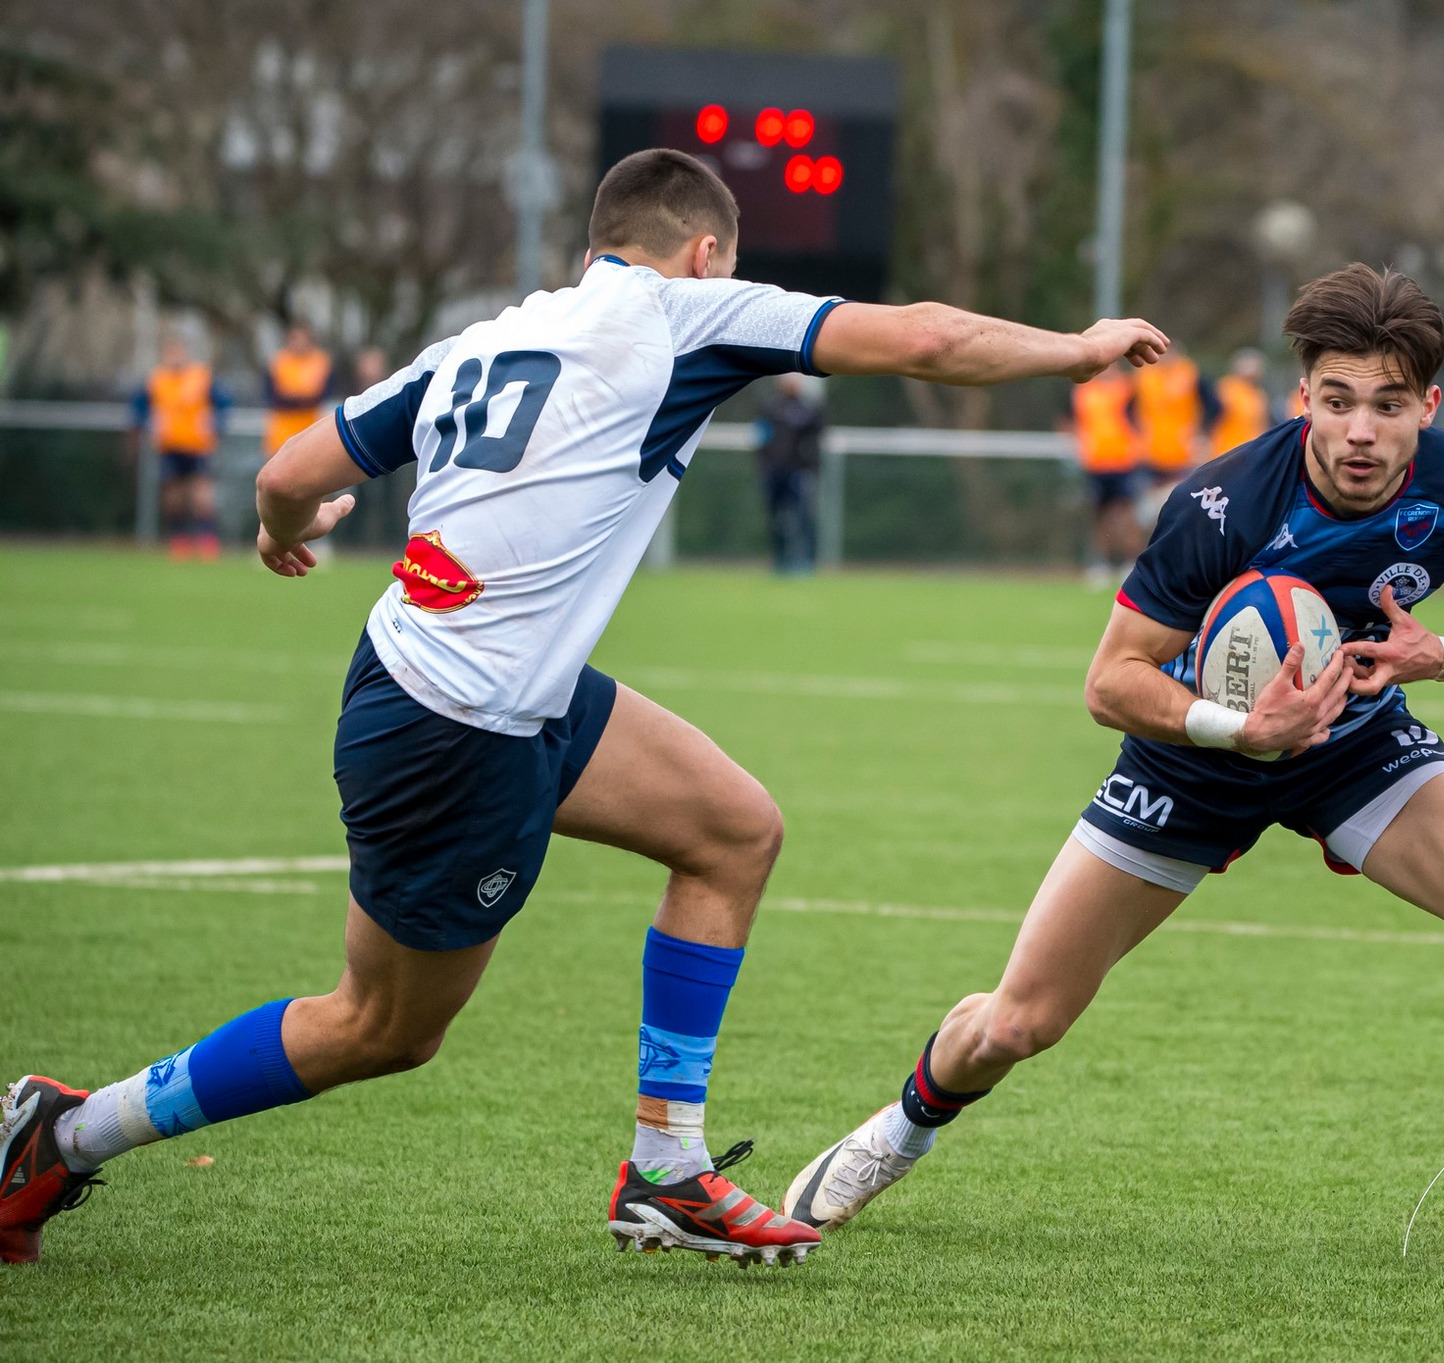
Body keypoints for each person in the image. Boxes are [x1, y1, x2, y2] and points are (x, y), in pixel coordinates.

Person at [0, 148, 1170, 1268]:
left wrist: (279, 536)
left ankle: (665, 1168)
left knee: (731, 829)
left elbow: (286, 477)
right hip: (452, 730)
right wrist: (1077, 347)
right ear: (705, 252)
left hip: (492, 688)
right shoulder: (683, 314)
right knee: (381, 1028)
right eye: (728, 263)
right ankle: (61, 1132)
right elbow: (923, 335)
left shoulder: (483, 338)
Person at [782, 264, 1444, 1292]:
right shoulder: (1220, 504)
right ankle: (900, 1129)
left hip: (1356, 748)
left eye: (1389, 406)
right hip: (1191, 763)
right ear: (1301, 397)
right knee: (1017, 1023)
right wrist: (1239, 727)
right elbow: (1109, 681)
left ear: (1427, 407)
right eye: (1337, 401)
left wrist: (1441, 654)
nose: (1360, 431)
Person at [130, 336, 231, 561]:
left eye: (178, 353)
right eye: (170, 353)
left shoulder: (201, 377)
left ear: (185, 353)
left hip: (198, 446)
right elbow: (137, 409)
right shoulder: (156, 380)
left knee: (202, 497)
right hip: (169, 446)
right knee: (173, 498)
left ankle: (207, 542)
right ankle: (179, 542)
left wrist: (216, 423)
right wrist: (148, 423)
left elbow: (224, 404)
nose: (175, 358)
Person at [1067, 362, 1143, 589]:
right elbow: (1071, 421)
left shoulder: (1128, 388)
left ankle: (1131, 564)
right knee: (1098, 516)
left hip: (1123, 462)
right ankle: (1100, 565)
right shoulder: (1083, 391)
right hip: (1095, 464)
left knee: (1126, 516)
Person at [1132, 347, 1219, 523]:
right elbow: (1128, 408)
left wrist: (1202, 431)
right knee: (1148, 515)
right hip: (1150, 454)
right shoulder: (1144, 376)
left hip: (1184, 453)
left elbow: (1215, 406)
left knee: (1182, 508)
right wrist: (1138, 430)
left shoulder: (1189, 374)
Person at [754, 373, 826, 574]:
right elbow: (761, 436)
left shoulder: (810, 409)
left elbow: (816, 441)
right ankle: (779, 561)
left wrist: (812, 467)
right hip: (774, 472)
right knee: (775, 518)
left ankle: (806, 561)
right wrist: (763, 465)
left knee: (803, 518)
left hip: (799, 472)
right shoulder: (770, 407)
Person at [264, 323, 335, 460]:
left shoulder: (320, 362)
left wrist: (294, 396)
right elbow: (274, 397)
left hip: (310, 429)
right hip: (281, 432)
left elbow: (322, 395)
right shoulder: (278, 363)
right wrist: (303, 397)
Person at [1211, 347, 1274, 453]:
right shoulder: (1226, 388)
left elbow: (1264, 424)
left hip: (1251, 451)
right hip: (1227, 450)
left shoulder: (1258, 394)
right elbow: (1213, 415)